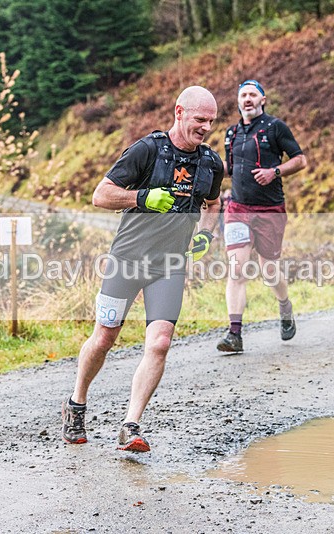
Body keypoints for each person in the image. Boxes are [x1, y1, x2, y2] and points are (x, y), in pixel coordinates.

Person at [62, 86, 224, 452]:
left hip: (169, 264)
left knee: (161, 342)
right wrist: (142, 197)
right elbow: (100, 194)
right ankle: (76, 403)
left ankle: (130, 426)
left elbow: (213, 204)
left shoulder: (211, 163)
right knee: (104, 336)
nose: (206, 128)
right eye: (200, 119)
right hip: (127, 258)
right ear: (179, 112)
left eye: (211, 121)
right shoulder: (147, 150)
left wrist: (206, 237)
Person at [217, 79, 308, 353]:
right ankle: (235, 334)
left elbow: (300, 160)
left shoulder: (275, 127)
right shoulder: (231, 133)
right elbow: (230, 169)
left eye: (252, 94)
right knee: (237, 268)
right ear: (237, 101)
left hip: (270, 209)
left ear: (262, 99)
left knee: (270, 271)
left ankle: (284, 306)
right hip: (238, 208)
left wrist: (275, 172)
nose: (247, 99)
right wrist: (204, 167)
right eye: (242, 94)